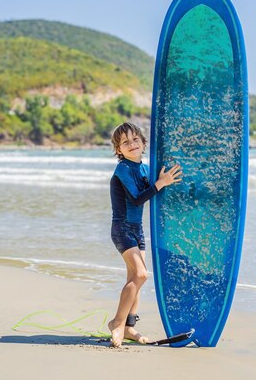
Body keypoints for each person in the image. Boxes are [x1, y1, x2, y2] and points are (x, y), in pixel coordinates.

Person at [108, 122, 182, 347]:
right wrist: (160, 183)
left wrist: (164, 182)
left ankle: (130, 327)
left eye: (135, 139)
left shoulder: (145, 168)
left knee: (134, 280)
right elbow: (137, 198)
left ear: (143, 142)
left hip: (137, 229)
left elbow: (155, 192)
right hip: (122, 228)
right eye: (125, 142)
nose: (132, 144)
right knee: (141, 275)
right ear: (118, 149)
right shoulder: (122, 169)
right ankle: (117, 324)